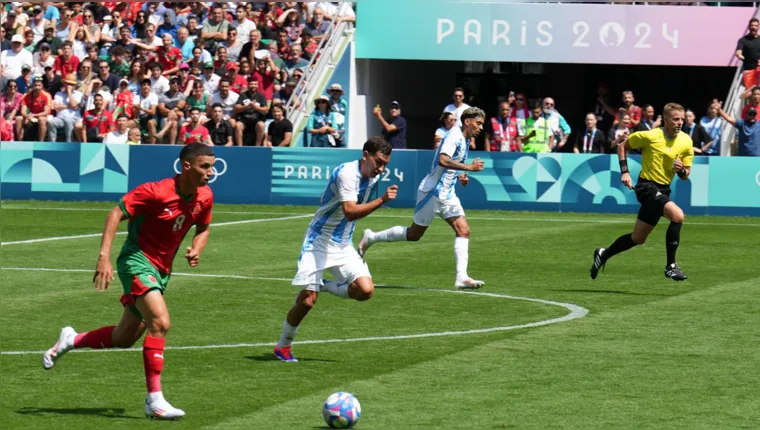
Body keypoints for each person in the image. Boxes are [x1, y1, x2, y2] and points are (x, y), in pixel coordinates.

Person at [42, 144, 215, 420]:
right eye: (204, 166)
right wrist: (104, 257)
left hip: (162, 270)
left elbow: (204, 228)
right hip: (136, 261)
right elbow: (115, 213)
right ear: (186, 166)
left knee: (124, 338)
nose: (210, 172)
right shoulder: (156, 191)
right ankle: (154, 401)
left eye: (212, 166)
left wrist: (198, 247)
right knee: (160, 322)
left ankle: (70, 340)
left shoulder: (205, 196)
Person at [273, 137, 397, 362]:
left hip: (342, 243)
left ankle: (326, 286)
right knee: (308, 301)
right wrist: (381, 200)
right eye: (379, 162)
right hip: (318, 241)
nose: (381, 169)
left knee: (365, 291)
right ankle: (283, 346)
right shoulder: (347, 174)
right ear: (365, 154)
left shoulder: (371, 177)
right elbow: (350, 211)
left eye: (385, 164)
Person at [359, 107, 487, 290]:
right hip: (432, 192)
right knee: (414, 234)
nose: (481, 127)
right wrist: (468, 167)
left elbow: (450, 165)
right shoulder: (454, 136)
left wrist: (460, 176)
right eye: (479, 123)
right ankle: (371, 237)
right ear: (467, 121)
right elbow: (443, 160)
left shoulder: (465, 139)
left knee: (464, 231)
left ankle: (462, 278)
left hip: (447, 194)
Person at [590, 103, 694, 282]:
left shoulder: (686, 141)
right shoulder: (651, 135)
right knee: (678, 216)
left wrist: (681, 171)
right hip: (647, 187)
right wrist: (625, 172)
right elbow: (622, 146)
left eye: (682, 119)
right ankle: (671, 266)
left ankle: (604, 254)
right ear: (666, 119)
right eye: (676, 119)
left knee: (638, 238)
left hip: (663, 190)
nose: (680, 122)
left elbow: (685, 174)